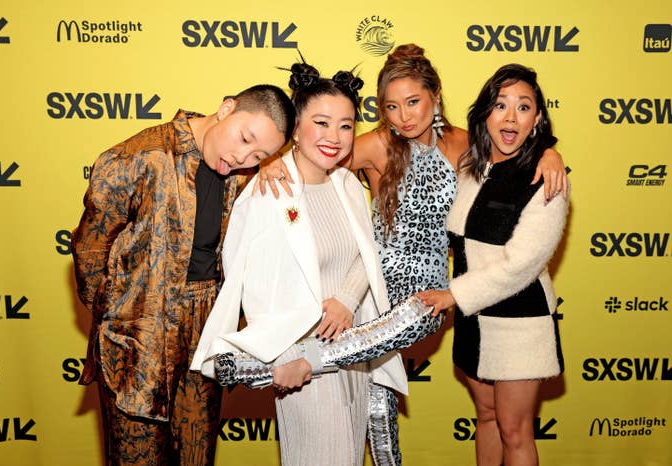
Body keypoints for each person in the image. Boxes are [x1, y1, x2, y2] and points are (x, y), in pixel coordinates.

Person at [257, 44, 568, 464]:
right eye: (391, 107)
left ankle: (276, 365)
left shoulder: (464, 145)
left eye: (414, 102)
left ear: (435, 96)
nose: (404, 116)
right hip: (372, 288)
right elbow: (316, 157)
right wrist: (273, 163)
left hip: (434, 297)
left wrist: (551, 152)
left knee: (492, 417)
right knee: (378, 406)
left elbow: (508, 159)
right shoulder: (373, 144)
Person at [190, 61, 407, 466]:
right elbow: (254, 286)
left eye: (345, 126)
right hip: (302, 359)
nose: (334, 137)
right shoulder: (269, 190)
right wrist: (284, 354)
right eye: (321, 123)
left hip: (351, 353)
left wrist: (345, 297)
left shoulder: (347, 184)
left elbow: (366, 254)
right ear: (295, 129)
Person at [70, 85, 296, 466]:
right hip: (138, 341)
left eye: (258, 153)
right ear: (225, 109)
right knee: (134, 459)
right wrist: (119, 314)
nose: (241, 156)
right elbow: (89, 250)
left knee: (197, 457)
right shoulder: (138, 157)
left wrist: (269, 163)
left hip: (206, 337)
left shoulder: (246, 174)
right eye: (244, 138)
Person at [417, 63, 569, 466]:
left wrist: (453, 294)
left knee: (515, 431)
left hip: (518, 321)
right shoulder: (472, 165)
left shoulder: (546, 178)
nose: (510, 116)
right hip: (473, 319)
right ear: (486, 112)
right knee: (486, 417)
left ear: (537, 118)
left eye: (523, 107)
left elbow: (521, 264)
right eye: (500, 105)